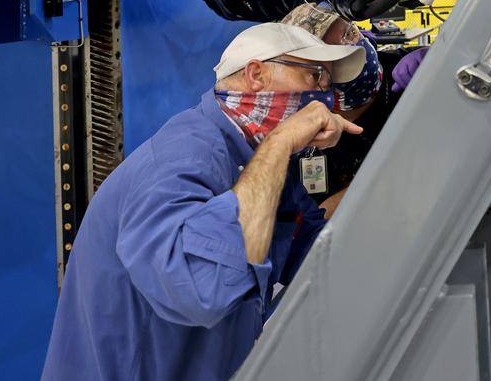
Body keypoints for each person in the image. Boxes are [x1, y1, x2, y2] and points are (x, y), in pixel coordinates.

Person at [42, 23, 367, 381]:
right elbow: (201, 290)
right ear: (255, 74)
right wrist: (281, 143)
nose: (324, 97)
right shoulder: (182, 160)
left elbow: (319, 250)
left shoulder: (258, 162)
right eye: (316, 77)